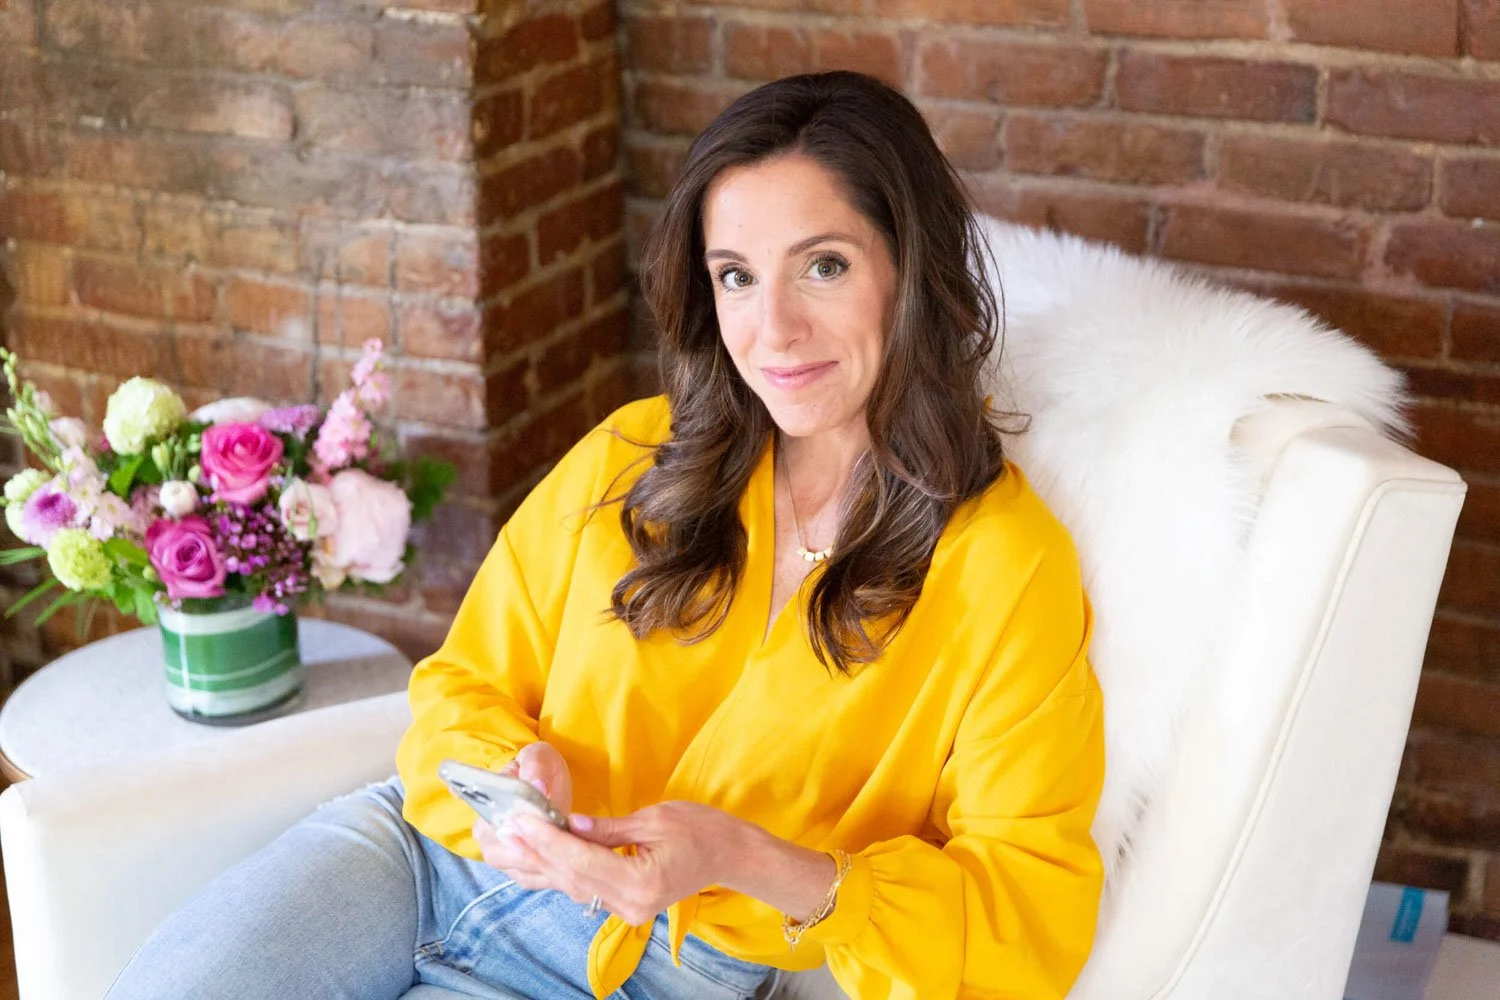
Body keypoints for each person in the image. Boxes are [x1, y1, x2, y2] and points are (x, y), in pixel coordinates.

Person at [105, 70, 1105, 1000]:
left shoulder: (1006, 568)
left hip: (659, 967)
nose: (773, 329)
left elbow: (1028, 914)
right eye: (737, 277)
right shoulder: (636, 455)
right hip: (425, 859)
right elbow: (461, 686)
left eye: (825, 265)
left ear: (911, 271)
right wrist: (511, 771)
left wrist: (748, 860)